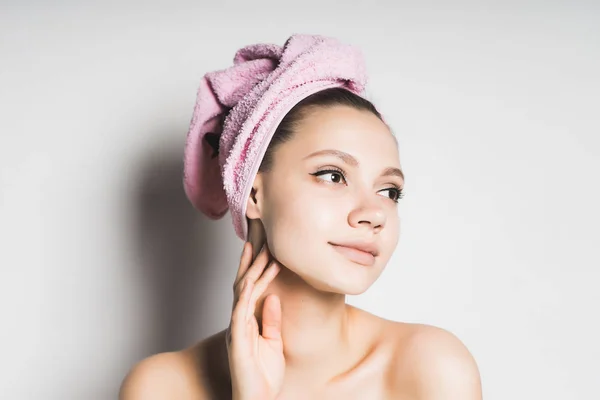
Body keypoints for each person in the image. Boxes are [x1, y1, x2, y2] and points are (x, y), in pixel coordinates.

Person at [119, 34, 482, 399]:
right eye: (332, 175)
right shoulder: (161, 387)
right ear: (253, 193)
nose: (374, 214)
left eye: (389, 191)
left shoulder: (430, 368)